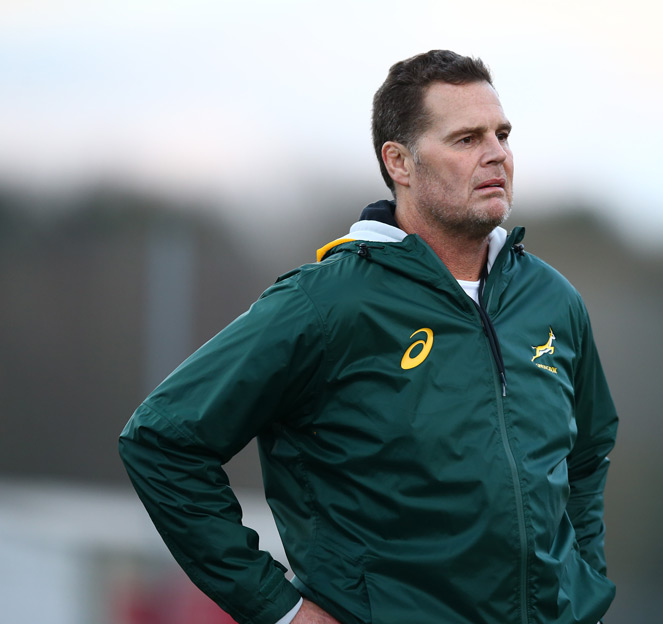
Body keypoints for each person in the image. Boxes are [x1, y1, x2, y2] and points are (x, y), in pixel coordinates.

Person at [119, 49, 618, 624]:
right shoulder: (326, 303)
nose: (496, 155)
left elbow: (586, 459)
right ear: (399, 162)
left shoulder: (553, 300)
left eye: (501, 135)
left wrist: (583, 593)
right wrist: (279, 609)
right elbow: (162, 442)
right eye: (465, 139)